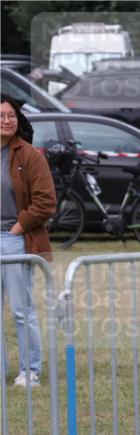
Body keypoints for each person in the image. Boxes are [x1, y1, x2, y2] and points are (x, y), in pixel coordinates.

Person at [0, 95, 55, 388]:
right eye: (1, 115)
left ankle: (30, 370)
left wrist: (17, 228)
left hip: (14, 240)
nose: (6, 120)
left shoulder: (29, 155)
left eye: (11, 115)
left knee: (22, 310)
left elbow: (46, 202)